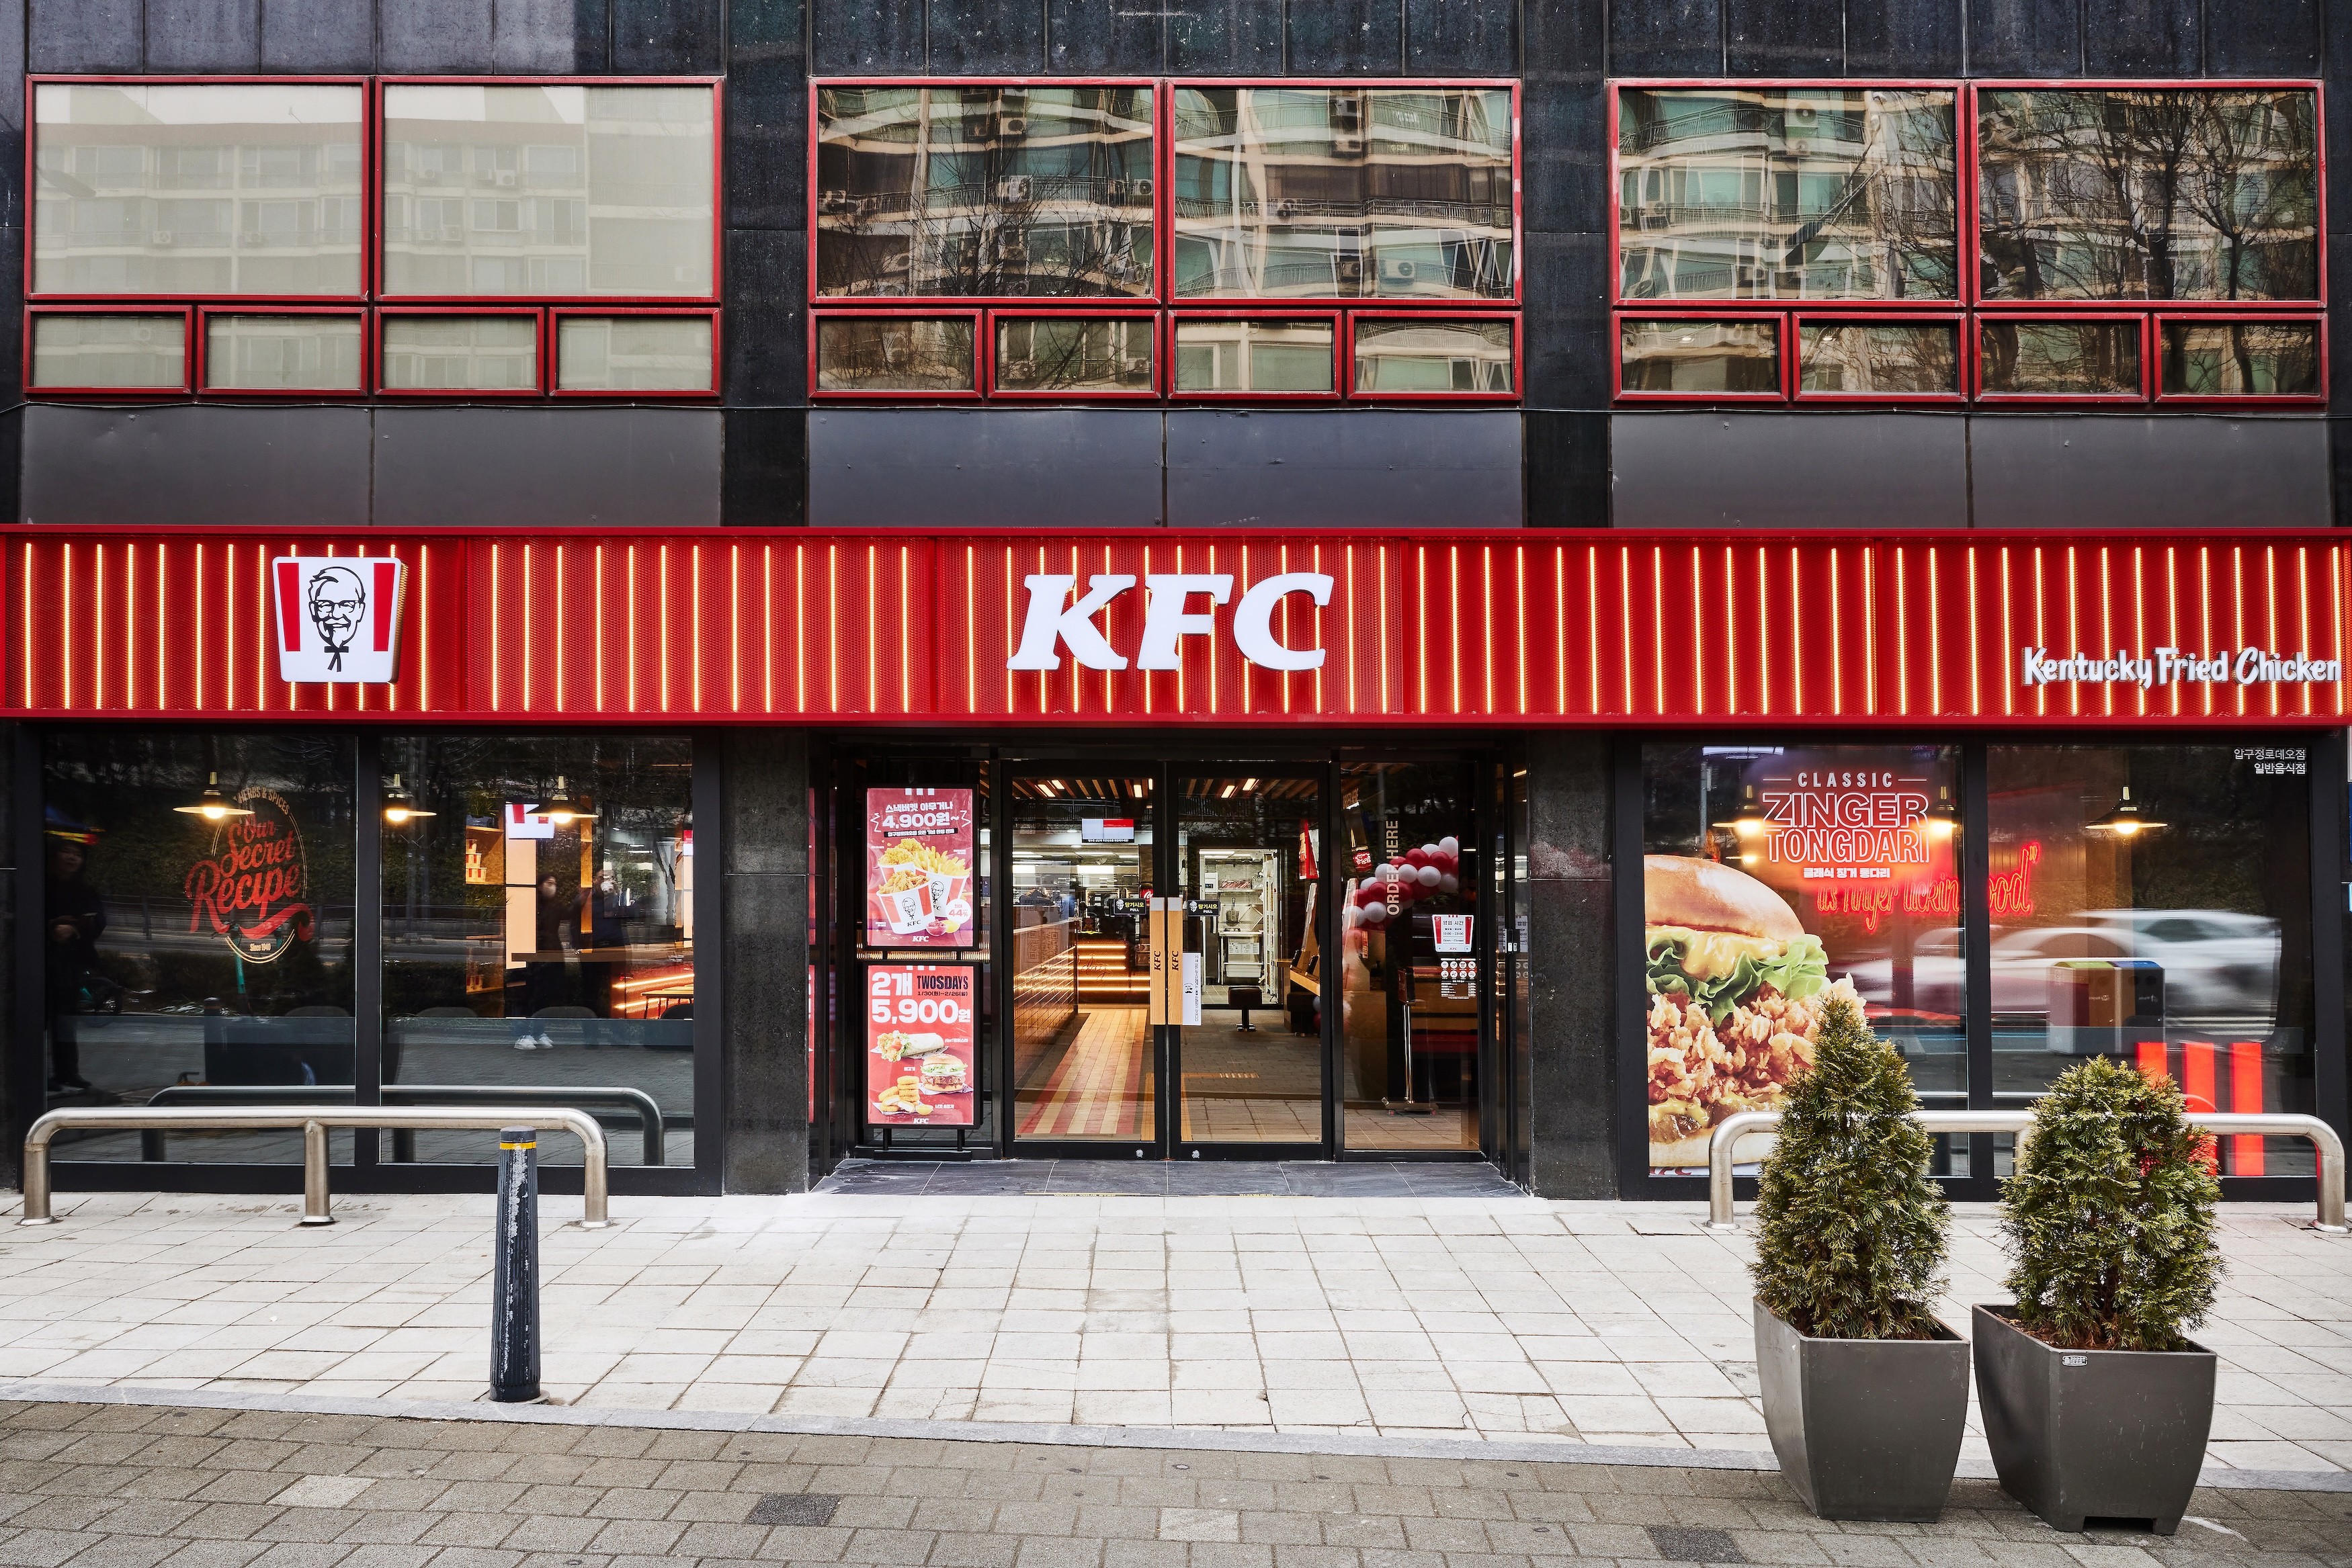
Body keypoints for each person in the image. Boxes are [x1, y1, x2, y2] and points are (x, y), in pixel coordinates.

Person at [44, 824, 104, 1092]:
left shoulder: (85, 890)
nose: (72, 858)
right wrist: (51, 929)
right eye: (67, 852)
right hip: (42, 959)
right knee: (40, 1017)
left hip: (71, 962)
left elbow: (99, 920)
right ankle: (39, 1072)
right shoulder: (42, 884)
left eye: (77, 854)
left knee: (67, 1018)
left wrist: (75, 929)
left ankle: (68, 1072)